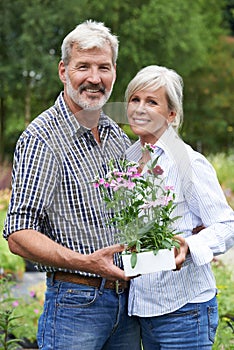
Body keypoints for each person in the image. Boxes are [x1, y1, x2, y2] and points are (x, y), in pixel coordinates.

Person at [3, 20, 141, 350]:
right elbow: (18, 234)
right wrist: (85, 263)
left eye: (103, 67)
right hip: (76, 304)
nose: (94, 78)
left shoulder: (117, 137)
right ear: (63, 71)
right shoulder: (43, 139)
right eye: (84, 67)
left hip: (130, 307)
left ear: (114, 72)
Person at [124, 65, 234, 349]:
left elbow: (227, 225)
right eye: (134, 100)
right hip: (143, 310)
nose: (139, 109)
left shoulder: (188, 162)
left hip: (184, 310)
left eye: (152, 102)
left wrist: (189, 246)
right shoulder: (127, 161)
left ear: (171, 115)